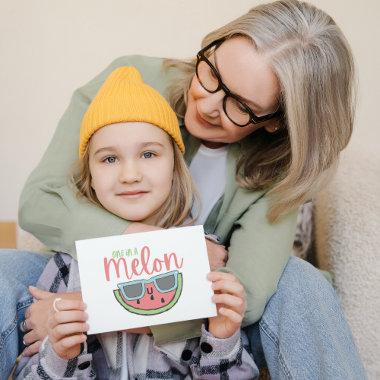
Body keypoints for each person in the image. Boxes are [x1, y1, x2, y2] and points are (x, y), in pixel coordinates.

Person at [0, 1, 366, 378]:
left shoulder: (280, 167)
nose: (207, 104)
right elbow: (39, 203)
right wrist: (160, 246)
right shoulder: (131, 82)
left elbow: (247, 298)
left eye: (239, 105)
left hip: (198, 324)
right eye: (211, 72)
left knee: (301, 282)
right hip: (76, 276)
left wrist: (90, 312)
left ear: (275, 122)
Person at [14, 66, 258, 379]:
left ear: (174, 166)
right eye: (109, 159)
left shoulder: (199, 262)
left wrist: (222, 339)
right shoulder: (67, 268)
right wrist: (61, 358)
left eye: (148, 154)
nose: (130, 174)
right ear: (90, 176)